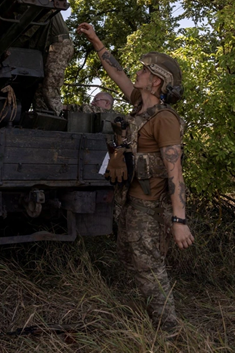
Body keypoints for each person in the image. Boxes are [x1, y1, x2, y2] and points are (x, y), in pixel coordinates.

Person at [76, 22, 194, 336]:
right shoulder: (140, 106)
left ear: (156, 82)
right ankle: (153, 315)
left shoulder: (165, 119)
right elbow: (116, 73)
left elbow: (175, 171)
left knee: (149, 265)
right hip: (129, 199)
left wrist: (179, 219)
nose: (137, 74)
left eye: (144, 71)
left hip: (149, 205)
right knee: (130, 256)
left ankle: (169, 330)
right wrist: (96, 40)